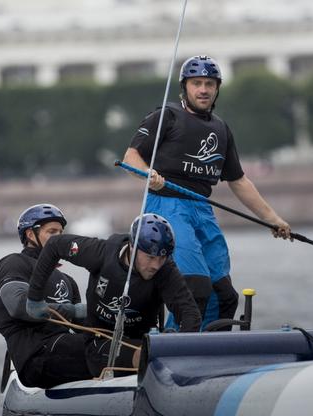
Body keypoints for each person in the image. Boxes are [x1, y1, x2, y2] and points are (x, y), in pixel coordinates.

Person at [122, 54, 292, 330]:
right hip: (167, 204)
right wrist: (148, 174)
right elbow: (130, 157)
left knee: (225, 295)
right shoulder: (166, 115)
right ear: (184, 87)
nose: (203, 89)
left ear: (217, 89)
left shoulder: (221, 128)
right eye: (197, 83)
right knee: (195, 287)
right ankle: (173, 348)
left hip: (202, 208)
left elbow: (239, 181)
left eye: (210, 84)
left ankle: (213, 349)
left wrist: (272, 219)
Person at [27, 213, 202, 377]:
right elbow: (55, 245)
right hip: (100, 342)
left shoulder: (166, 270)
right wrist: (34, 298)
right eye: (150, 257)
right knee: (146, 354)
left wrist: (181, 350)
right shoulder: (100, 252)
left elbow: (190, 314)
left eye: (161, 259)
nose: (156, 265)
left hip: (144, 339)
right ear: (133, 248)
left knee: (156, 349)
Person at [0, 203, 91, 388]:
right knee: (106, 352)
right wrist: (74, 310)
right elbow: (19, 306)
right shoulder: (14, 263)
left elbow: (84, 327)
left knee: (116, 345)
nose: (59, 238)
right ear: (30, 235)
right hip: (35, 358)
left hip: (63, 347)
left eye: (61, 233)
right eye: (52, 232)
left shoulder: (67, 280)